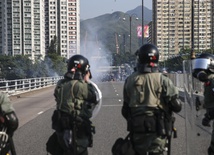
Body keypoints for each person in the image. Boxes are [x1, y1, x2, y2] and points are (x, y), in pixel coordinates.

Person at [121, 44, 182, 155]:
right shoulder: (163, 80)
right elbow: (177, 106)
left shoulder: (129, 80)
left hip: (137, 130)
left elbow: (125, 110)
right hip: (158, 131)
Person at [48, 54, 100, 155]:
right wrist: (86, 80)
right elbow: (95, 97)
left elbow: (56, 96)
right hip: (77, 129)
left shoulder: (60, 84)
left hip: (61, 127)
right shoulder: (82, 86)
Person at [192, 53, 214, 155]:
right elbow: (210, 101)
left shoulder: (212, 80)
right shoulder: (209, 82)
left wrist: (209, 115)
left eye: (202, 64)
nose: (199, 70)